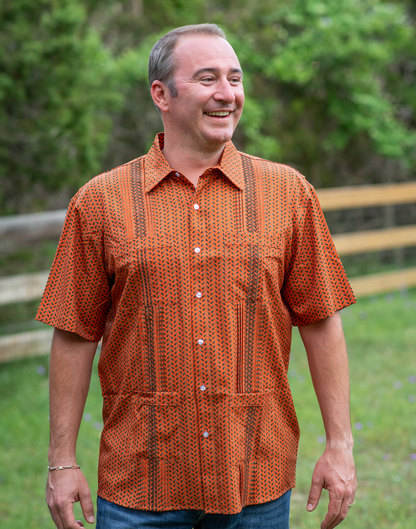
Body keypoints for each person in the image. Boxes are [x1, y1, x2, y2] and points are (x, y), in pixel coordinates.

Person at [37, 23, 357, 529]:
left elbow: (321, 319)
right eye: (208, 78)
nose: (227, 94)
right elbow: (74, 333)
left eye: (235, 78)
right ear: (161, 94)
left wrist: (340, 446)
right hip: (138, 482)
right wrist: (61, 459)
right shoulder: (99, 201)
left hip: (256, 476)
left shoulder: (288, 193)